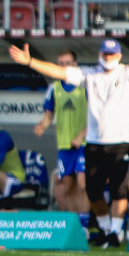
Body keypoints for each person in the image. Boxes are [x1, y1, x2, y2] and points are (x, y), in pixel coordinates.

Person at [8, 38, 129, 248]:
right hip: (94, 143)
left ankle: (116, 232)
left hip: (120, 141)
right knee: (93, 190)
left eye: (112, 55)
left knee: (119, 189)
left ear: (118, 56)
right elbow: (59, 73)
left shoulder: (128, 73)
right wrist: (30, 62)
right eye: (105, 54)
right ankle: (106, 228)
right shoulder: (90, 74)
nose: (108, 58)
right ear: (100, 55)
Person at [34, 48, 90, 233]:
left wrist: (82, 134)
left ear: (75, 65)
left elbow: (97, 116)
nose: (64, 66)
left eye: (67, 63)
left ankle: (85, 225)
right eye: (61, 63)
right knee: (68, 185)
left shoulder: (85, 85)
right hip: (65, 145)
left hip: (84, 143)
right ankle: (77, 226)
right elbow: (49, 114)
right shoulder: (54, 88)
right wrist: (42, 125)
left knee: (83, 183)